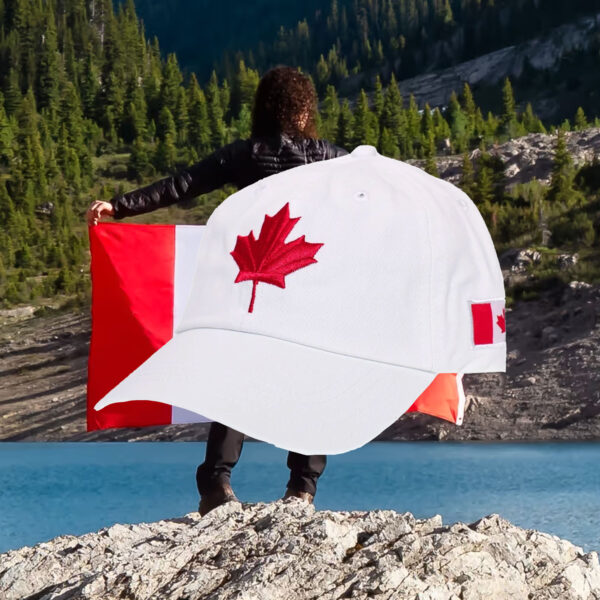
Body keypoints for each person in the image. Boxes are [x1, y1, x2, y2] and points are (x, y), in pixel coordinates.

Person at [86, 65, 349, 516]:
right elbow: (377, 191)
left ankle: (215, 482)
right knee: (312, 377)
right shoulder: (330, 157)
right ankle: (302, 487)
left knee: (238, 377)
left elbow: (182, 184)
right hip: (305, 283)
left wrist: (121, 205)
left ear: (264, 108)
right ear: (304, 109)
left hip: (254, 284)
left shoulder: (246, 153)